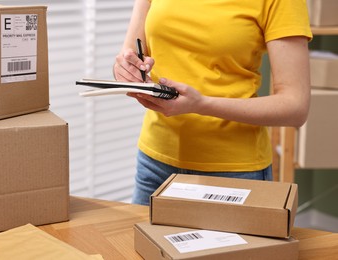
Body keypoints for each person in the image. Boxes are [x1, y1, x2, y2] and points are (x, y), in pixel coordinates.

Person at [113, 0, 313, 205]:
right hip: (155, 164)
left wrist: (201, 104)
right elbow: (130, 57)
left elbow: (295, 106)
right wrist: (125, 70)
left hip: (232, 173)